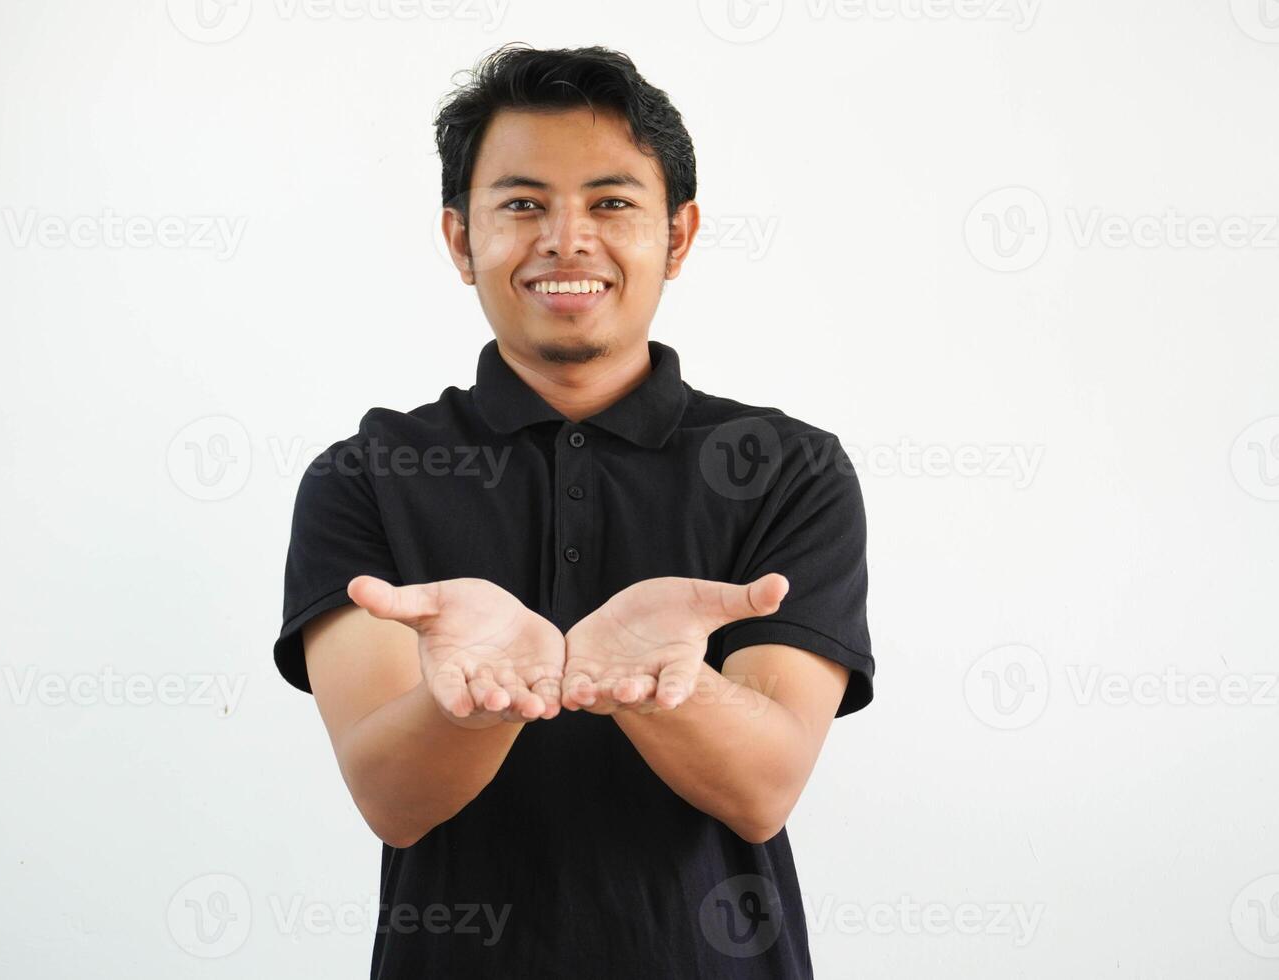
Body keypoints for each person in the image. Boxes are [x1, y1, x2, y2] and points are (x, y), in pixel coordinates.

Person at [273, 43, 874, 979]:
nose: (566, 240)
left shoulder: (788, 470)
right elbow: (391, 796)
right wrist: (468, 702)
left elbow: (763, 789)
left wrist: (665, 685)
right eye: (520, 205)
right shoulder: (366, 476)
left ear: (677, 236)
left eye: (611, 203)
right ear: (459, 239)